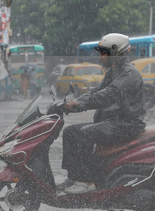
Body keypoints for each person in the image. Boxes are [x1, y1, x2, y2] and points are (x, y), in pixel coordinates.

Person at [59, 33, 146, 194]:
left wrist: (81, 103)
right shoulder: (114, 72)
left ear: (116, 54)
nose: (100, 58)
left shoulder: (129, 73)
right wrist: (73, 104)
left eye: (103, 54)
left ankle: (88, 181)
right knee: (70, 132)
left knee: (86, 134)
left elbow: (109, 95)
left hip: (127, 125)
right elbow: (97, 91)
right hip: (113, 122)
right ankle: (74, 177)